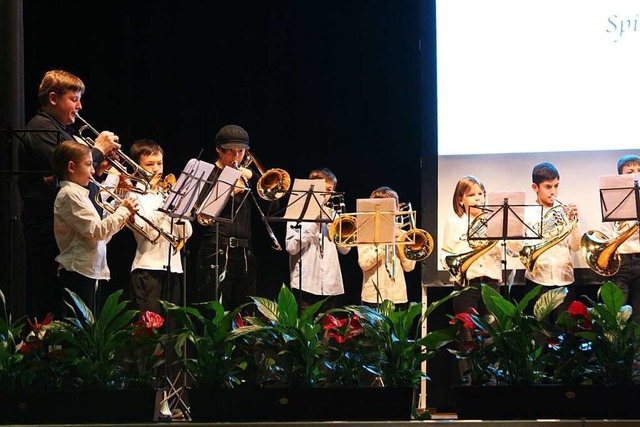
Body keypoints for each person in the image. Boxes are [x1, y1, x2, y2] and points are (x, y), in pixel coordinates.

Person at [19, 69, 120, 320]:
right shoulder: (42, 129)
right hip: (49, 234)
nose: (80, 106)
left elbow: (77, 177)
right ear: (53, 98)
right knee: (57, 309)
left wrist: (100, 168)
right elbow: (63, 172)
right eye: (74, 99)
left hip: (70, 235)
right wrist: (97, 150)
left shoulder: (64, 131)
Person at [195, 124, 279, 311]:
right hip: (215, 248)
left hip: (245, 251)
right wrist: (228, 192)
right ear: (219, 149)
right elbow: (200, 215)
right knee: (214, 311)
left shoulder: (247, 175)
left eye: (240, 152)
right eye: (231, 152)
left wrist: (257, 179)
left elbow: (272, 207)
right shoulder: (208, 172)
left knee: (244, 312)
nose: (236, 158)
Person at [50, 140, 137, 317]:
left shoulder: (80, 194)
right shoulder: (69, 195)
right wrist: (122, 211)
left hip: (89, 270)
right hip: (77, 272)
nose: (92, 171)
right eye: (89, 164)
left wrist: (123, 212)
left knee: (88, 331)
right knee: (80, 332)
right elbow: (97, 231)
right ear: (71, 167)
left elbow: (102, 235)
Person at [440, 175, 504, 384]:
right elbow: (446, 253)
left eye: (481, 194)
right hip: (466, 285)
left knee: (492, 337)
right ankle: (468, 385)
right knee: (467, 338)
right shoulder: (455, 223)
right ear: (461, 200)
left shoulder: (495, 221)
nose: (478, 199)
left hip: (491, 284)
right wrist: (455, 266)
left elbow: (512, 250)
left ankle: (492, 383)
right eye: (472, 195)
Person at [127, 139, 193, 316]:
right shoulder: (134, 195)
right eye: (150, 164)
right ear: (137, 167)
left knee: (171, 333)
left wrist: (180, 206)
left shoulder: (166, 193)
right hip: (148, 270)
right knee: (149, 334)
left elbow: (186, 233)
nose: (157, 169)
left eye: (159, 163)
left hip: (174, 268)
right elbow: (147, 229)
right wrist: (167, 208)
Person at [285, 167, 350, 313]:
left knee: (328, 334)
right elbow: (291, 247)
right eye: (323, 190)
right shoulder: (297, 213)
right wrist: (315, 224)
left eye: (330, 190)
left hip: (330, 284)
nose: (326, 195)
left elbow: (345, 250)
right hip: (306, 284)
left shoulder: (334, 215)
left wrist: (334, 226)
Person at [522, 162, 581, 319]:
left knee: (565, 333)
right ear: (535, 187)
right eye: (548, 187)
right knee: (539, 332)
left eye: (556, 186)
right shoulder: (526, 213)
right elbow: (520, 248)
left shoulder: (564, 210)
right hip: (537, 279)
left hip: (564, 279)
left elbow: (575, 247)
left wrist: (574, 221)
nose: (553, 191)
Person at [357, 186, 415, 311]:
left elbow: (409, 267)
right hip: (373, 297)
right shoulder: (365, 232)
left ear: (398, 208)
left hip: (398, 296)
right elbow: (364, 263)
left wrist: (400, 240)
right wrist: (386, 239)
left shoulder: (403, 233)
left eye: (390, 206)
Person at [600, 155, 640, 321]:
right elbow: (607, 232)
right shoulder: (613, 200)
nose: (636, 175)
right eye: (630, 172)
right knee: (617, 316)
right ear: (620, 177)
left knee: (638, 317)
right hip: (619, 263)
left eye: (639, 171)